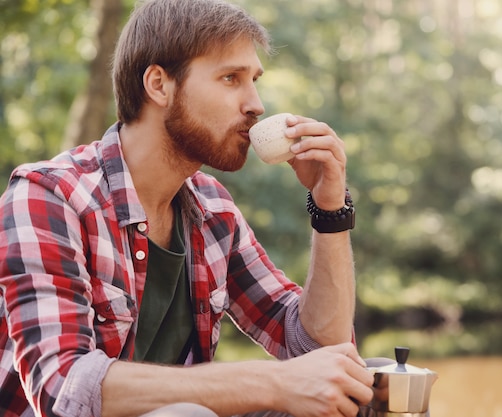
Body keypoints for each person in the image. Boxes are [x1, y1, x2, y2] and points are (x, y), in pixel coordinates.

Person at [0, 0, 375, 416]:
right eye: (231, 78)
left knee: (359, 391)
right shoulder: (48, 196)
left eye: (254, 80)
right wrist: (271, 383)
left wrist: (329, 209)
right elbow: (61, 386)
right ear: (159, 85)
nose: (256, 104)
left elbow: (318, 349)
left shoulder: (213, 209)